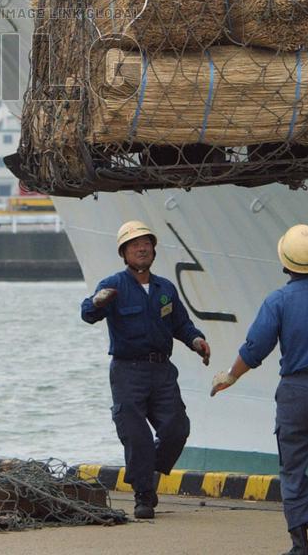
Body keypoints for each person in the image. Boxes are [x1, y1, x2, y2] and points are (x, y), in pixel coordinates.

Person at [211, 223, 308, 555]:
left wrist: (230, 377)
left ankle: (300, 546)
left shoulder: (277, 301)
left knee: (292, 469)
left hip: (295, 392)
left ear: (284, 262)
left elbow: (254, 349)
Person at [81, 220, 211, 520]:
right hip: (128, 371)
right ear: (124, 253)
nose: (142, 248)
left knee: (177, 428)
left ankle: (149, 471)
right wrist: (96, 302)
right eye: (135, 245)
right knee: (136, 434)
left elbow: (181, 324)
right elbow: (88, 314)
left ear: (154, 250)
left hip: (162, 370)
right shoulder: (112, 286)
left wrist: (196, 340)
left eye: (147, 244)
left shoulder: (165, 288)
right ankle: (143, 495)